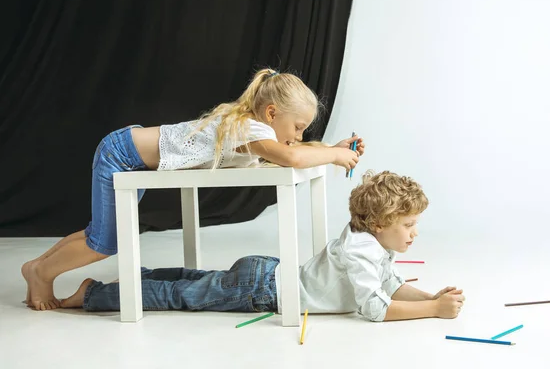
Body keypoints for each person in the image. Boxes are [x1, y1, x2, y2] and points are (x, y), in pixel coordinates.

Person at [22, 68, 365, 311]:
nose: (299, 136)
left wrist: (331, 148)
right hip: (121, 153)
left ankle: (36, 266)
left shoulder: (254, 131)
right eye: (298, 127)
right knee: (105, 243)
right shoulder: (250, 127)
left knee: (98, 234)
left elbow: (290, 154)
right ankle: (41, 273)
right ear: (271, 113)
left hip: (130, 151)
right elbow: (289, 156)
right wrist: (335, 155)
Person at [61, 171, 465, 322]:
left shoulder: (371, 242)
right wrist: (431, 311)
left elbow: (390, 285)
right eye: (408, 225)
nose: (414, 233)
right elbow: (373, 308)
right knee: (179, 295)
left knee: (194, 281)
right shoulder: (363, 250)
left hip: (268, 273)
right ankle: (95, 294)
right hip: (263, 290)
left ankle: (136, 279)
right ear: (379, 223)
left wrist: (430, 295)